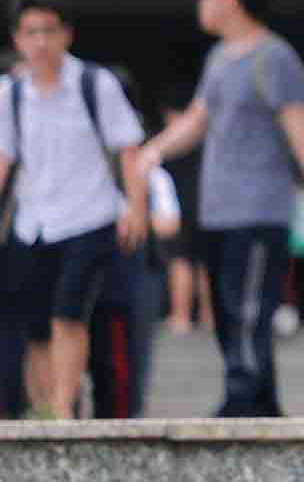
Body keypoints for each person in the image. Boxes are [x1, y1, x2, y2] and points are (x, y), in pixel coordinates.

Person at [135, 0, 304, 418]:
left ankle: (241, 398)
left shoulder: (274, 57)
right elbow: (198, 120)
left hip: (260, 209)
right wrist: (151, 151)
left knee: (251, 308)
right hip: (219, 209)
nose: (202, 3)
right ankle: (262, 402)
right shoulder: (218, 58)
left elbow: (299, 131)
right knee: (226, 310)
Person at [0, 0, 149, 418]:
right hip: (33, 222)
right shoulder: (10, 95)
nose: (40, 43)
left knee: (68, 312)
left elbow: (128, 148)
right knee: (34, 327)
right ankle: (45, 408)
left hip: (89, 216)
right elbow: (5, 160)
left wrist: (136, 208)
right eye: (30, 33)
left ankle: (65, 409)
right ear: (17, 39)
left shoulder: (94, 84)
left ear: (66, 34)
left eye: (49, 31)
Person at [84, 69, 181, 420]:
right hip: (84, 264)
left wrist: (135, 216)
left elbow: (168, 224)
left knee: (126, 365)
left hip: (132, 272)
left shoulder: (148, 169)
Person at [158, 88, 211, 338]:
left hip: (175, 209)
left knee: (180, 260)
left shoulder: (167, 143)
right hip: (208, 206)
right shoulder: (206, 139)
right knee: (205, 262)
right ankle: (209, 316)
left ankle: (181, 316)